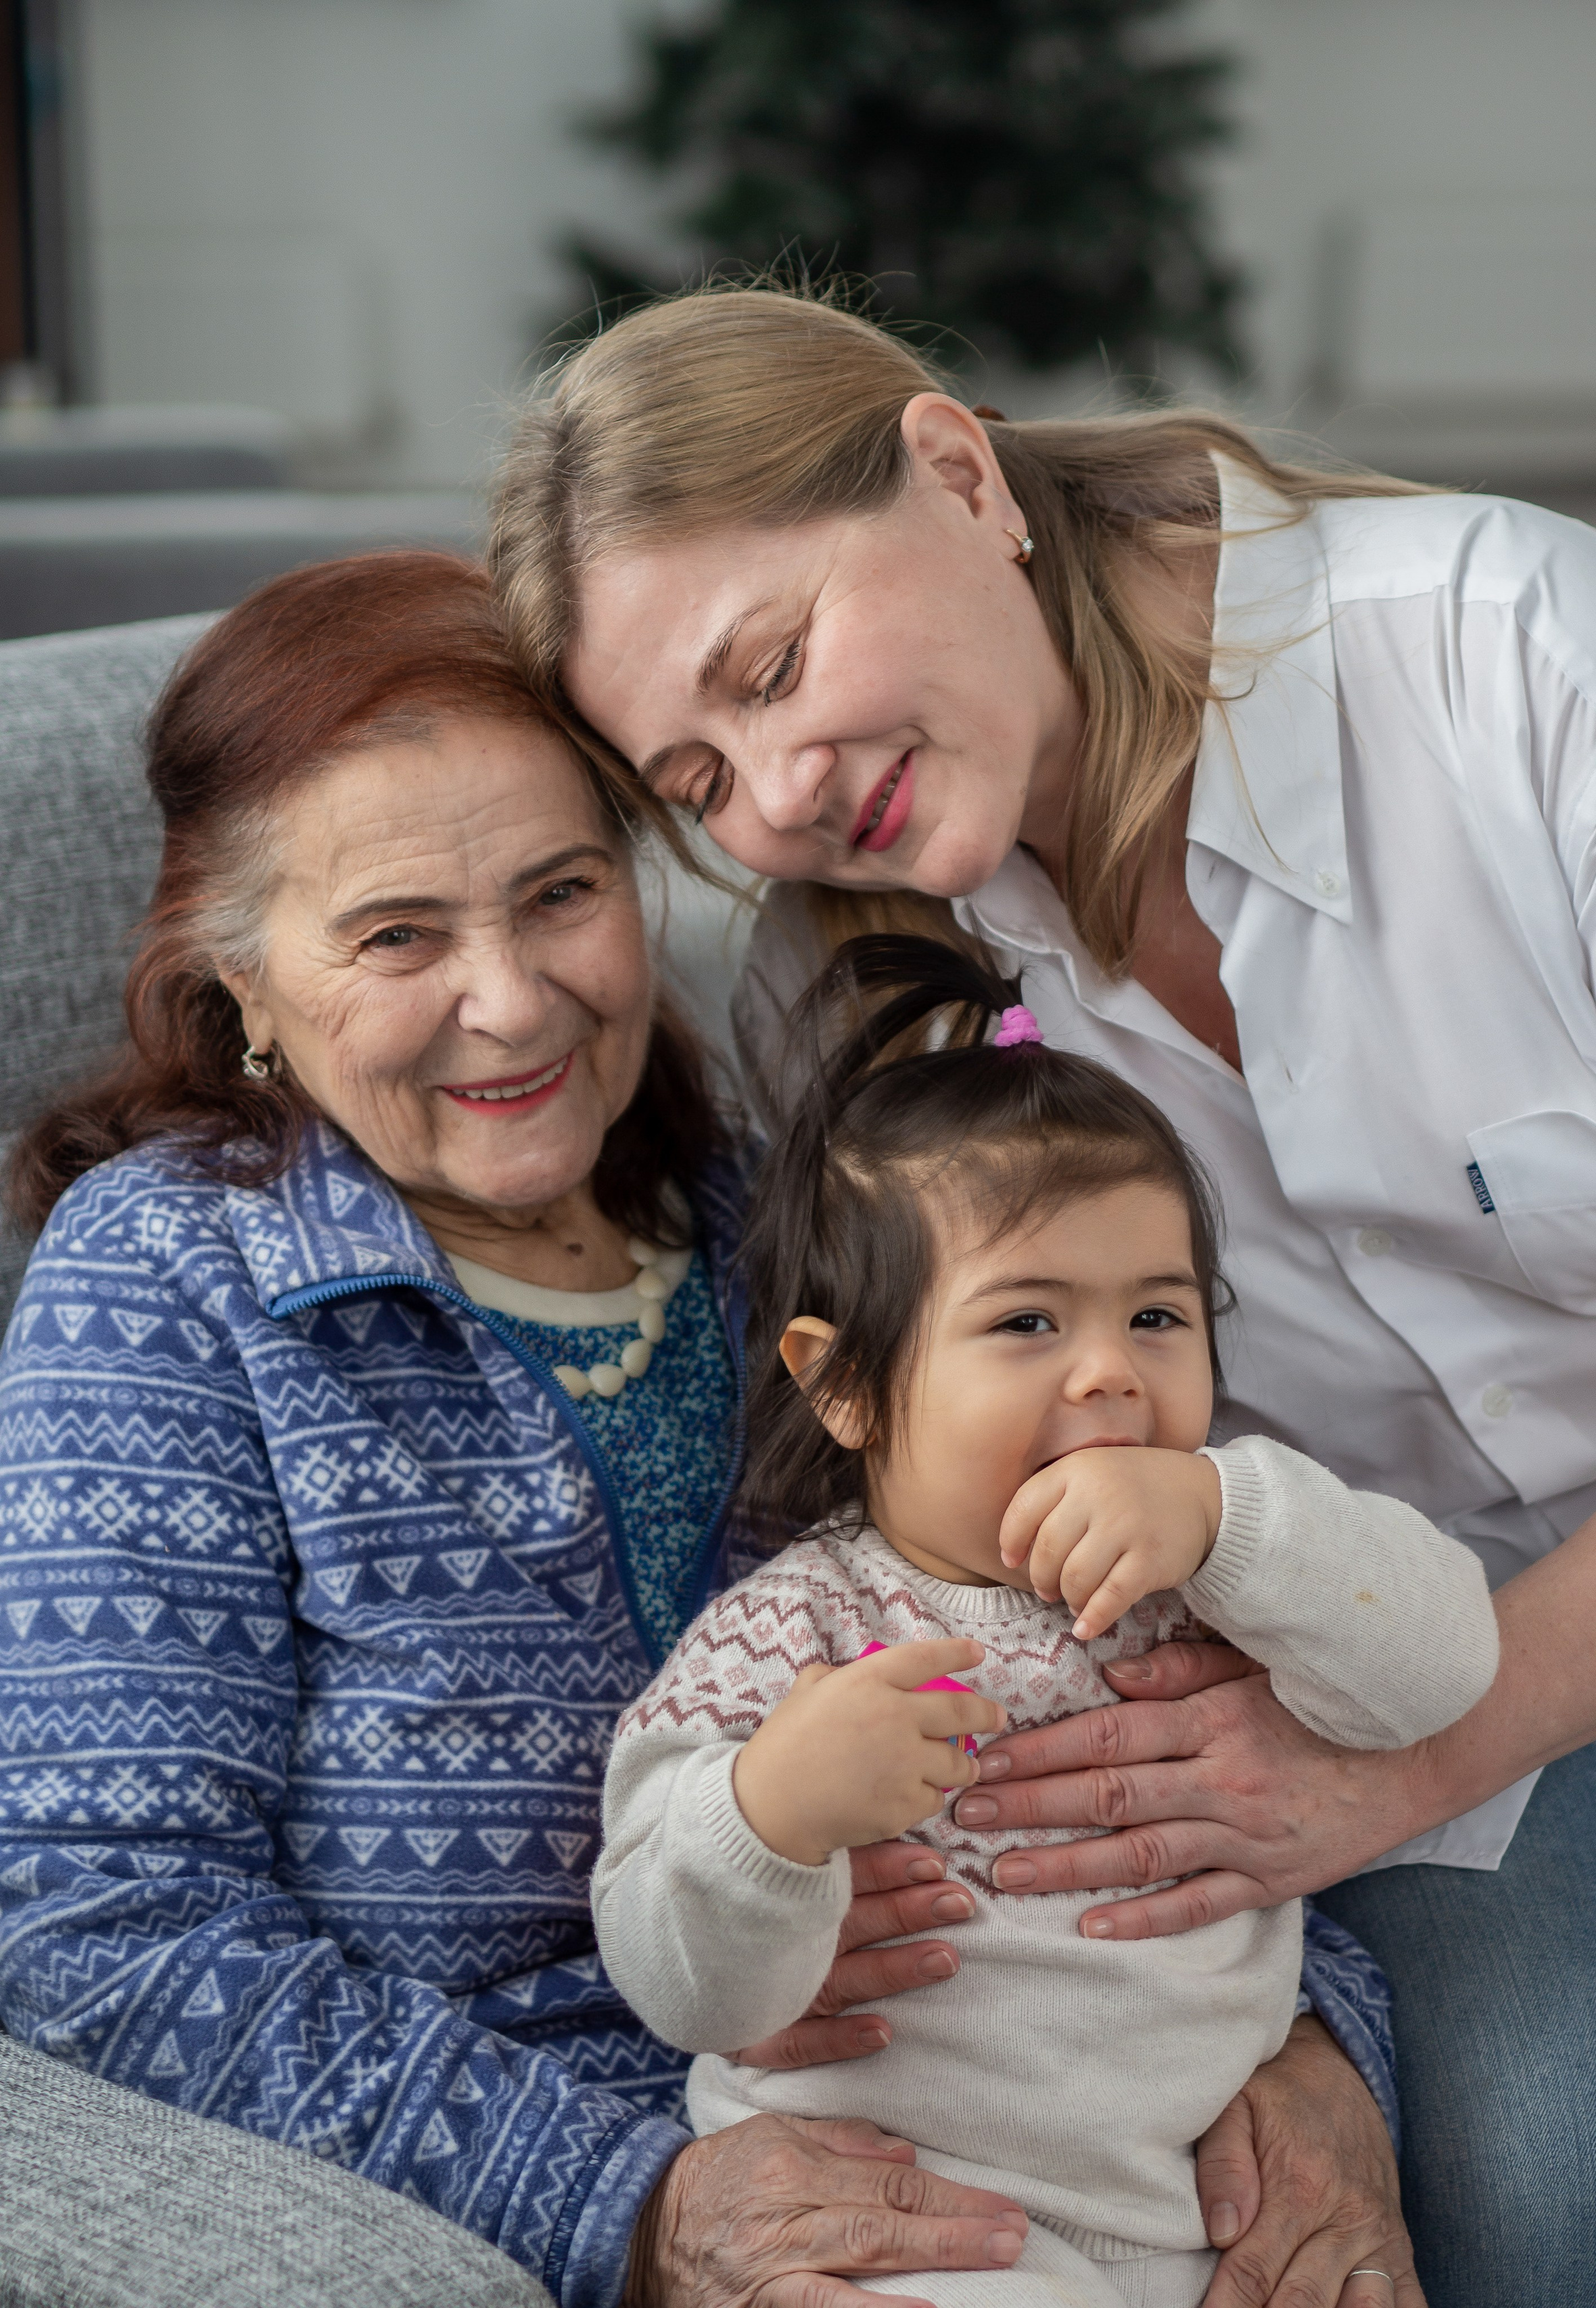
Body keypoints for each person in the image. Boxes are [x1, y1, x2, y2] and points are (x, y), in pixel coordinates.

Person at [490, 281, 1596, 2307]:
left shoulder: (1516, 654)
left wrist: (1401, 1766)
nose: (781, 792)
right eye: (699, 775)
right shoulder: (853, 981)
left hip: (1499, 1636)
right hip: (1364, 1610)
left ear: (961, 473)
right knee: (1564, 2209)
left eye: (777, 661)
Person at [0, 550, 1072, 2308]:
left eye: (562, 892)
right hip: (564, 2179)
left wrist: (1294, 2052)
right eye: (398, 933)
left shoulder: (785, 1227)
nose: (509, 999)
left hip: (1022, 2098)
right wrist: (640, 2199)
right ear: (241, 975)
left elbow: (1118, 1638)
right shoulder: (171, 1277)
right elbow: (104, 1928)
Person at [595, 935, 1498, 2308]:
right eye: (1025, 1322)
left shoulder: (1228, 1573)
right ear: (842, 1384)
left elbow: (1441, 1670)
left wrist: (1229, 1517)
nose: (1106, 1376)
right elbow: (683, 1988)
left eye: (1154, 1315)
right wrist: (766, 1814)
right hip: (913, 2225)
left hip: (1202, 2213)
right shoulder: (792, 1640)